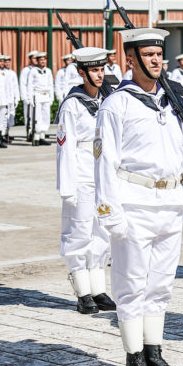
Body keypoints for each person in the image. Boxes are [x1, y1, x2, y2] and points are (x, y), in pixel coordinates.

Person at [94, 27, 183, 366]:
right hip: (134, 201)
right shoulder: (117, 104)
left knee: (161, 283)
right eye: (147, 55)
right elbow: (104, 162)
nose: (156, 61)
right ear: (129, 60)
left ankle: (154, 352)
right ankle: (134, 359)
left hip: (170, 201)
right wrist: (109, 211)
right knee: (131, 283)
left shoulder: (171, 101)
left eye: (158, 55)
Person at [55, 46, 117, 315]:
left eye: (102, 69)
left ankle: (98, 288)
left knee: (102, 231)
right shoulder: (72, 105)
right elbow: (64, 147)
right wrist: (66, 186)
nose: (99, 74)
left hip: (103, 173)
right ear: (81, 72)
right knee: (79, 232)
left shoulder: (107, 99)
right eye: (93, 70)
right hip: (80, 173)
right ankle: (83, 291)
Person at [25, 52, 54, 145]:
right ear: (37, 61)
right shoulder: (33, 71)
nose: (43, 61)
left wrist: (51, 97)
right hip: (37, 95)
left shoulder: (48, 71)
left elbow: (51, 85)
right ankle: (36, 137)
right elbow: (29, 85)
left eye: (44, 59)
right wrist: (30, 98)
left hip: (46, 95)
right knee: (37, 117)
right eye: (41, 60)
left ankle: (42, 136)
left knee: (46, 116)